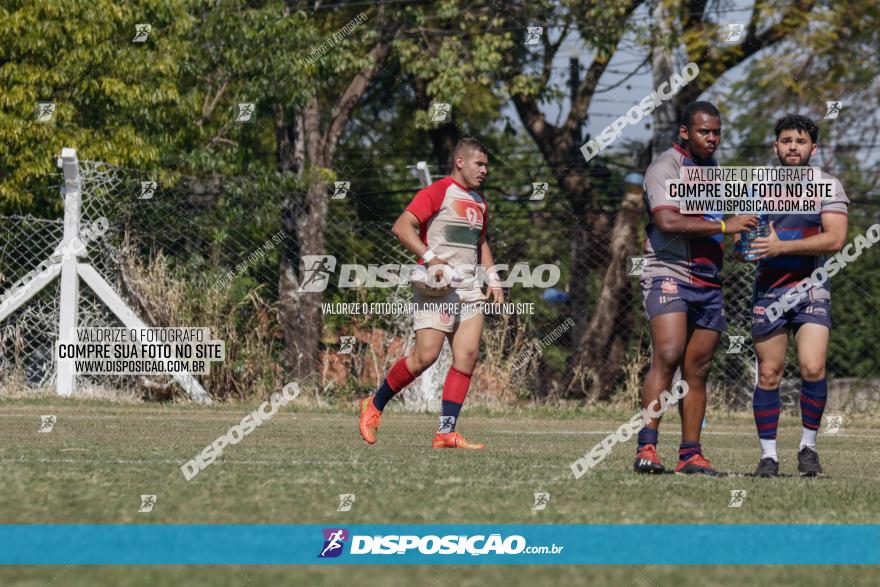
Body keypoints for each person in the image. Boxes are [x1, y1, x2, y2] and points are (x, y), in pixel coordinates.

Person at [636, 101, 758, 475]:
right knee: (668, 354)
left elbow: (721, 222)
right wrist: (725, 227)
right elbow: (669, 221)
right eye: (705, 131)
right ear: (685, 132)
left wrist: (740, 245)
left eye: (717, 132)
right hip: (667, 271)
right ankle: (647, 449)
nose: (712, 138)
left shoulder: (715, 173)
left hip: (708, 280)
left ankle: (690, 455)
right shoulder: (665, 167)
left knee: (698, 369)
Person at [357, 137, 504, 449]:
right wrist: (431, 259)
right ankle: (374, 405)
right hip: (437, 288)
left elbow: (480, 242)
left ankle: (445, 432)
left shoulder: (479, 201)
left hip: (467, 288)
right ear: (460, 162)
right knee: (426, 357)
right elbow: (401, 227)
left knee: (467, 357)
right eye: (480, 164)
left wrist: (493, 278)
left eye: (487, 165)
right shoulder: (438, 192)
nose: (484, 170)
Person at [744, 114, 849, 477]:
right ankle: (768, 456)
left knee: (813, 367)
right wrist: (746, 239)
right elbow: (742, 235)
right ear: (776, 146)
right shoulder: (756, 185)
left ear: (812, 148)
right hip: (769, 290)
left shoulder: (827, 186)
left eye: (800, 141)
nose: (793, 146)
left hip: (811, 287)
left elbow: (835, 239)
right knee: (769, 373)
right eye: (786, 140)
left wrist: (781, 246)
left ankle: (808, 448)